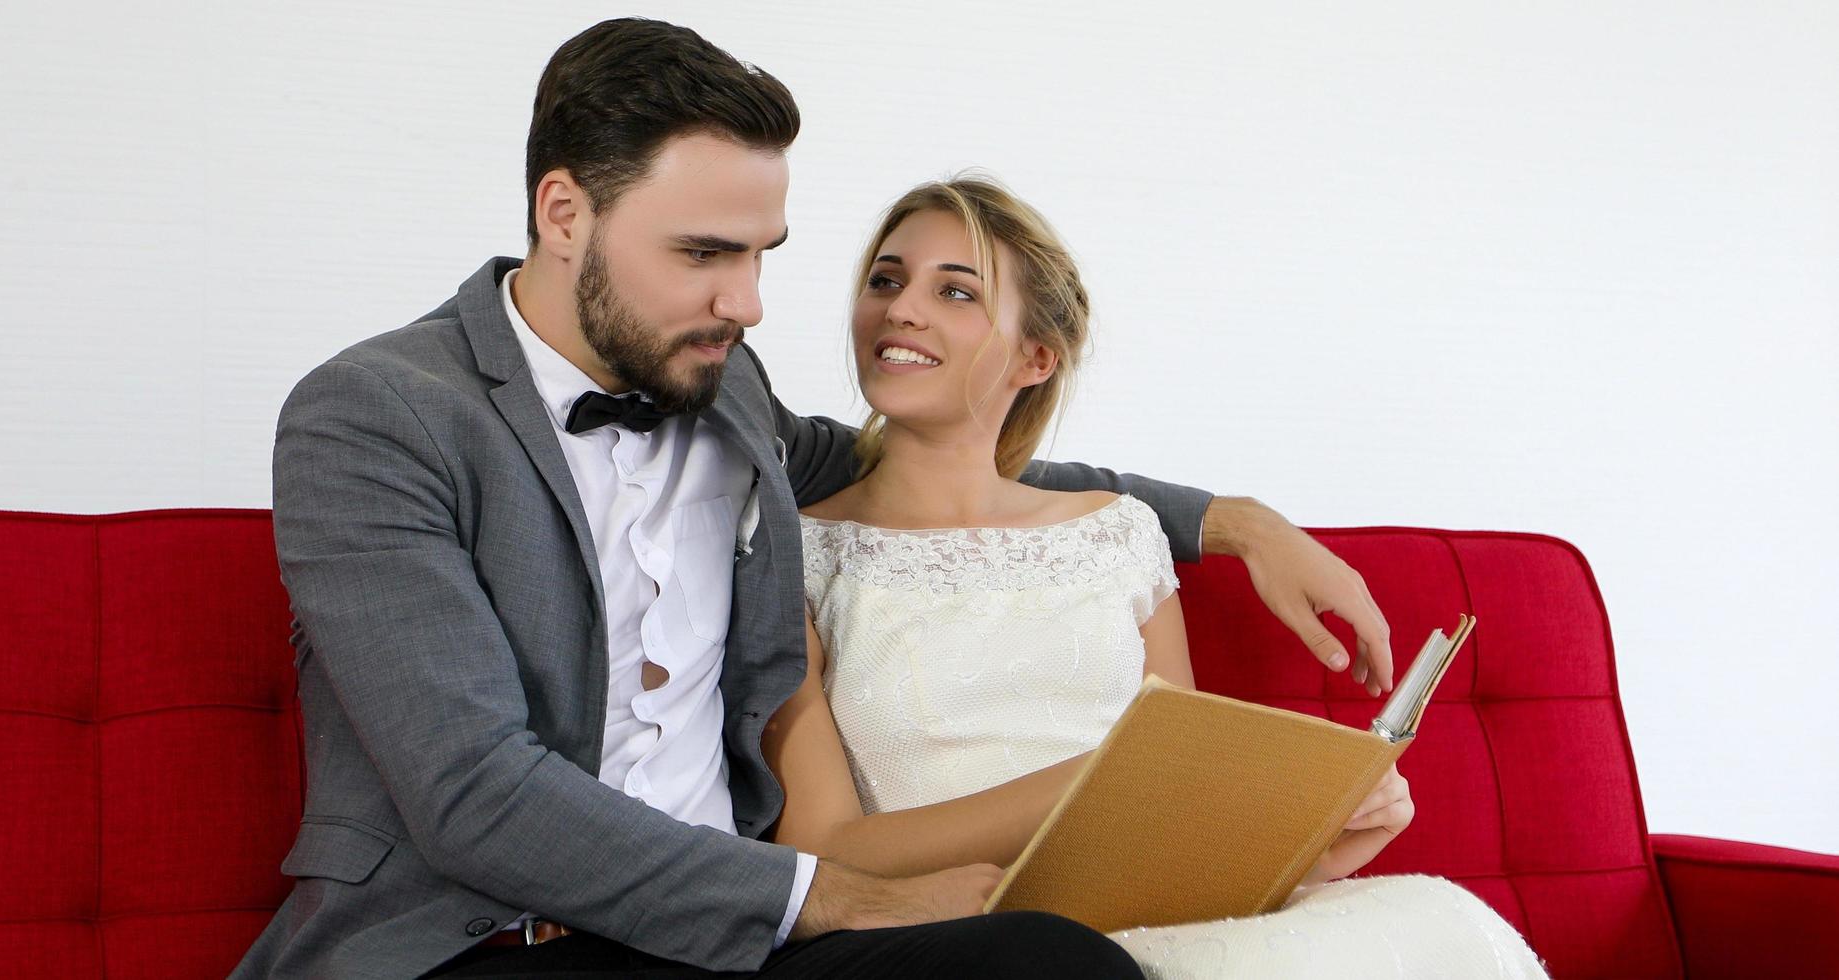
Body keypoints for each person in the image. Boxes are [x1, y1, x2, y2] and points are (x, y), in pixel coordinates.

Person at [238, 17, 1399, 980]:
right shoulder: (373, 415)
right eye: (704, 253)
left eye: (763, 254)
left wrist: (1227, 521)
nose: (746, 302)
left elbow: (937, 467)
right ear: (562, 214)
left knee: (1049, 963)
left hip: (736, 946)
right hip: (492, 938)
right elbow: (473, 793)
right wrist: (827, 891)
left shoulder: (716, 384)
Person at [762, 176, 1549, 978]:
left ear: (1036, 357)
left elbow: (1183, 828)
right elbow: (822, 852)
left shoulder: (1119, 535)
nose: (900, 308)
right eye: (885, 280)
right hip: (958, 937)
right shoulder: (793, 556)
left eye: (955, 291)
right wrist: (1097, 783)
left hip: (1135, 921)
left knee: (1434, 921)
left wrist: (1312, 845)